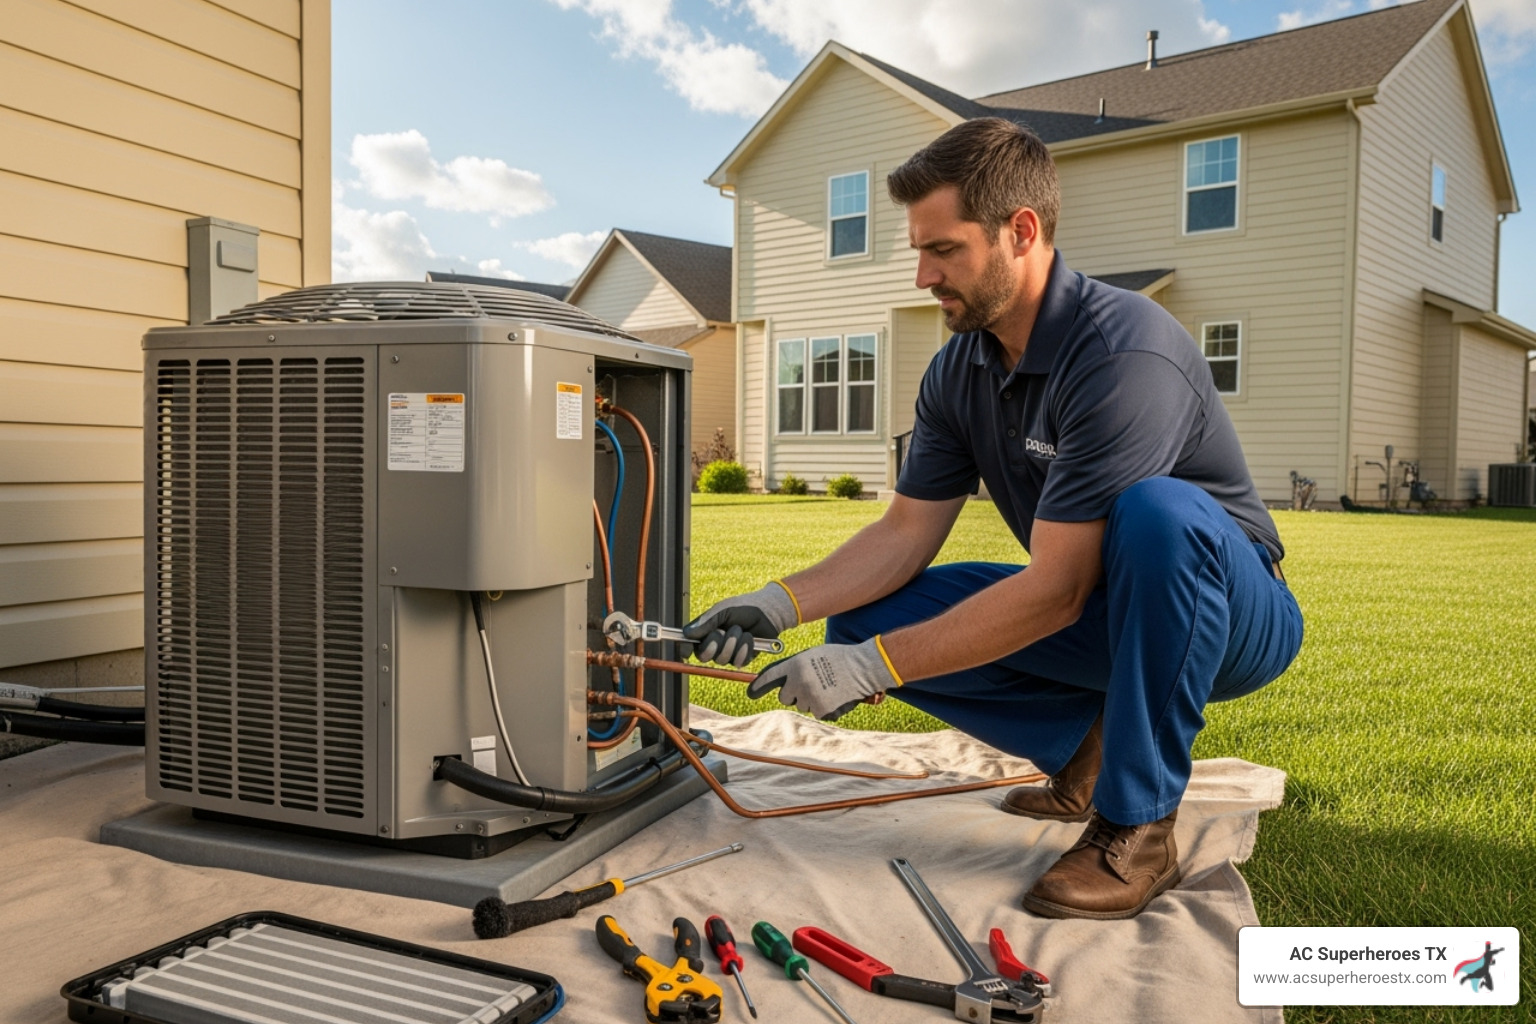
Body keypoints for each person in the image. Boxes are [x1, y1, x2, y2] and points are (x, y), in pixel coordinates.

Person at [682, 117, 1303, 920]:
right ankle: (1091, 747)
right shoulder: (961, 367)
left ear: (1022, 231)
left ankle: (1139, 826)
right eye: (919, 250)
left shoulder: (1121, 353)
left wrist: (876, 671)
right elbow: (905, 534)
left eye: (944, 251)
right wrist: (781, 602)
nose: (922, 276)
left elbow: (1057, 592)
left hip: (1229, 615)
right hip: (1103, 608)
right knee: (863, 621)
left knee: (1160, 514)